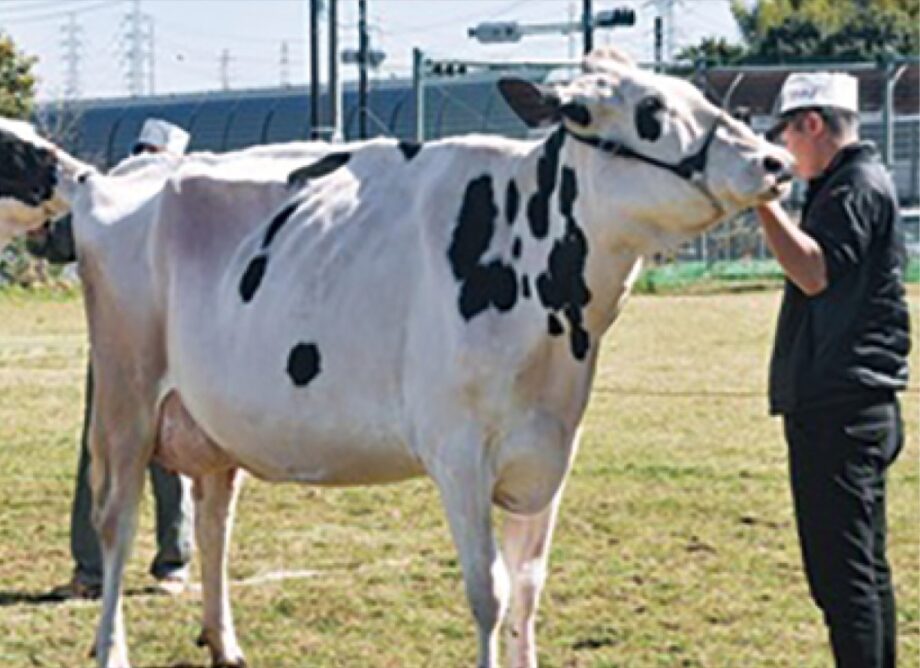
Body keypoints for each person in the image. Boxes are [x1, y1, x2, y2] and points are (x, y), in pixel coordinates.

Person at [756, 73, 910, 668]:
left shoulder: (854, 187)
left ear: (812, 123)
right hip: (852, 407)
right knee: (861, 576)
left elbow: (813, 271)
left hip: (841, 412)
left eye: (786, 133)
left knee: (845, 584)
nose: (785, 149)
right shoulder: (851, 184)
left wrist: (762, 202)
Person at [29, 118, 194, 600]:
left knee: (168, 452)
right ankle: (108, 569)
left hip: (168, 340)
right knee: (106, 453)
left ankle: (165, 562)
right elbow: (58, 242)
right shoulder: (115, 192)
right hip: (120, 344)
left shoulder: (185, 198)